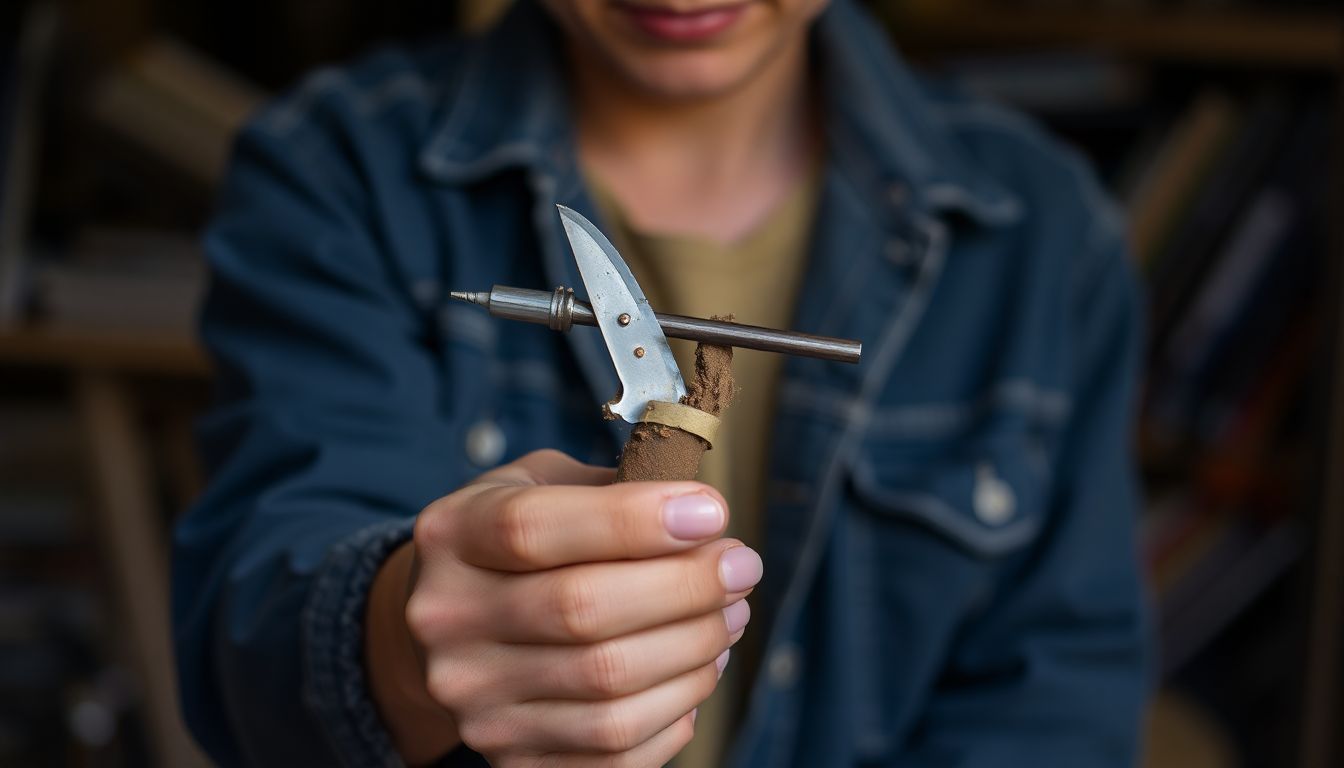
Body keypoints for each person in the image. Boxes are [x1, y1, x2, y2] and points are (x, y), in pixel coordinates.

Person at [172, 0, 1150, 766]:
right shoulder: (335, 170)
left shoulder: (1043, 230)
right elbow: (254, 626)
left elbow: (1057, 697)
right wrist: (400, 634)